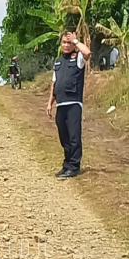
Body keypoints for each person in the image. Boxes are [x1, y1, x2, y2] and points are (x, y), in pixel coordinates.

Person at [47, 31, 91, 178]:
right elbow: (54, 84)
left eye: (69, 42)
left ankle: (74, 166)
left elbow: (87, 52)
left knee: (74, 136)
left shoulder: (78, 58)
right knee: (64, 136)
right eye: (64, 42)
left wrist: (76, 41)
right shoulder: (58, 62)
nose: (66, 45)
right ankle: (67, 165)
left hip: (73, 103)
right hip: (60, 104)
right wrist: (49, 103)